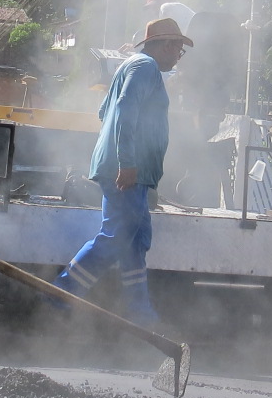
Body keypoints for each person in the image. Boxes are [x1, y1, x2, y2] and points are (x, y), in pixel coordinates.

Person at [54, 17, 193, 327]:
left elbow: (105, 111)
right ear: (167, 45)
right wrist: (127, 163)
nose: (178, 56)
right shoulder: (145, 68)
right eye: (179, 50)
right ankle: (61, 293)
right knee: (116, 236)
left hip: (134, 171)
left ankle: (139, 310)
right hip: (127, 170)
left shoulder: (132, 66)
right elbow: (125, 110)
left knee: (136, 239)